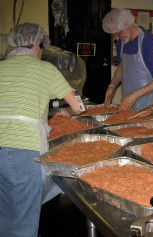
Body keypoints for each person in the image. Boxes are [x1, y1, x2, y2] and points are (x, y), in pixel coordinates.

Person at [0, 23, 82, 237]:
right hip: (22, 150)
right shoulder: (45, 68)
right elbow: (77, 107)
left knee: (5, 214)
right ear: (37, 43)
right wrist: (68, 113)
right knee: (24, 220)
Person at [102, 8, 153, 111]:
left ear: (128, 25)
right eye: (113, 35)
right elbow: (122, 66)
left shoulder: (150, 42)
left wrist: (135, 95)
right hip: (128, 105)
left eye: (118, 34)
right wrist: (112, 85)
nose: (116, 38)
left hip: (148, 107)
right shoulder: (122, 42)